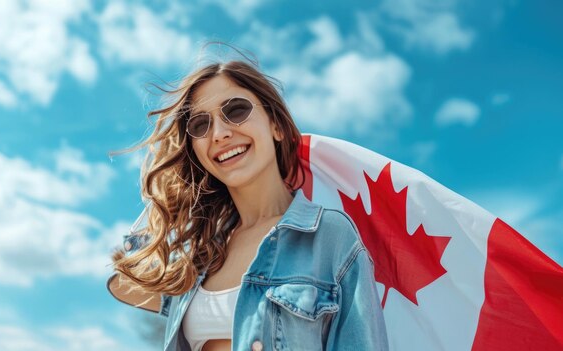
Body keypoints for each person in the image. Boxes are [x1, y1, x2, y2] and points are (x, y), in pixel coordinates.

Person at [107, 58, 388, 351]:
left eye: (236, 110)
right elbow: (124, 282)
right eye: (201, 125)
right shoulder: (199, 253)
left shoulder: (329, 236)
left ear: (277, 126)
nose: (219, 133)